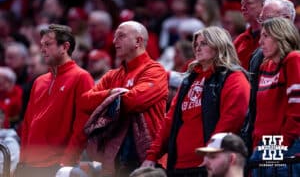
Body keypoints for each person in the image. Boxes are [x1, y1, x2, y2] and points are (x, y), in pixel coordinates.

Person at [142, 26, 250, 177]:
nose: (198, 48)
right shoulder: (188, 80)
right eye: (196, 45)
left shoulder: (234, 78)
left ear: (219, 45)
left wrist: (210, 155)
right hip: (178, 165)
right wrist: (152, 155)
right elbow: (170, 121)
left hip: (209, 167)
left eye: (204, 43)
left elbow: (231, 120)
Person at [81, 21, 168, 176]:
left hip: (147, 157)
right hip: (114, 155)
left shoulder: (156, 71)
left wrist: (107, 99)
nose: (114, 41)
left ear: (138, 41)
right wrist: (112, 93)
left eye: (121, 36)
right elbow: (85, 102)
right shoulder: (112, 76)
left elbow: (134, 101)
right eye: (115, 37)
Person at [15, 24, 94, 177]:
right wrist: (22, 159)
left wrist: (67, 162)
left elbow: (83, 125)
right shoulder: (39, 81)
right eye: (41, 45)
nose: (42, 49)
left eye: (48, 44)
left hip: (57, 165)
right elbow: (27, 123)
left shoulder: (82, 77)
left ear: (65, 47)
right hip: (28, 165)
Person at [250, 17, 300, 176]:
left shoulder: (294, 59)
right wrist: (257, 145)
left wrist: (283, 142)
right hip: (263, 146)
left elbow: (298, 106)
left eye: (266, 36)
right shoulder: (265, 65)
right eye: (260, 36)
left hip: (285, 144)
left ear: (281, 35)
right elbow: (260, 114)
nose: (260, 42)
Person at [234, 0, 273, 69]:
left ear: (264, 5)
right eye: (242, 4)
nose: (242, 8)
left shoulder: (275, 38)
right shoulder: (239, 40)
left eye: (248, 3)